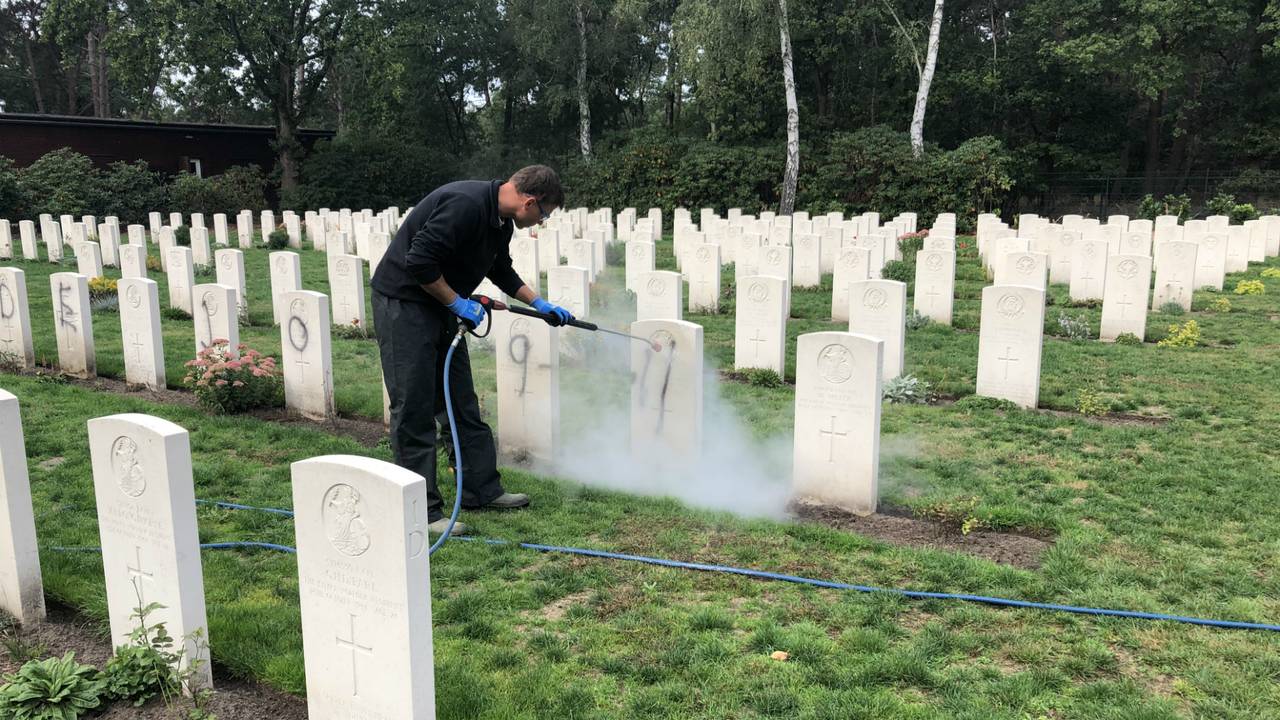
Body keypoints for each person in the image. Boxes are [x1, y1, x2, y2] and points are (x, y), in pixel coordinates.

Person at [370, 165, 574, 535]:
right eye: (544, 214)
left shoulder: (501, 221)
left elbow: (501, 270)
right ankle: (421, 510)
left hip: (441, 306)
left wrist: (539, 303)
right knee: (414, 406)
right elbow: (419, 261)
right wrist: (459, 303)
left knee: (460, 401)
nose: (542, 221)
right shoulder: (465, 205)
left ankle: (481, 490)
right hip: (402, 305)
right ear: (530, 201)